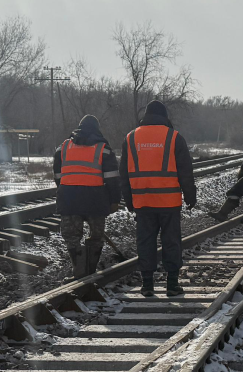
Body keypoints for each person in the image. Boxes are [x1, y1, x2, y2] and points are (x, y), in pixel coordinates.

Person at [121, 100, 198, 296]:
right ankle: (172, 285)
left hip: (142, 201)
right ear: (165, 117)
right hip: (169, 202)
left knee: (145, 241)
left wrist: (129, 201)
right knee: (171, 241)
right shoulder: (174, 138)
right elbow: (185, 172)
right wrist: (190, 196)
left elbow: (124, 174)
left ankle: (147, 285)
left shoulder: (130, 139)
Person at [52, 115, 120, 278]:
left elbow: (57, 175)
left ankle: (79, 269)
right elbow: (113, 180)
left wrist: (67, 189)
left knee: (72, 237)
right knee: (96, 236)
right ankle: (89, 271)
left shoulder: (63, 147)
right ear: (97, 129)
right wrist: (114, 201)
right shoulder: (103, 148)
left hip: (69, 199)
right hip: (95, 200)